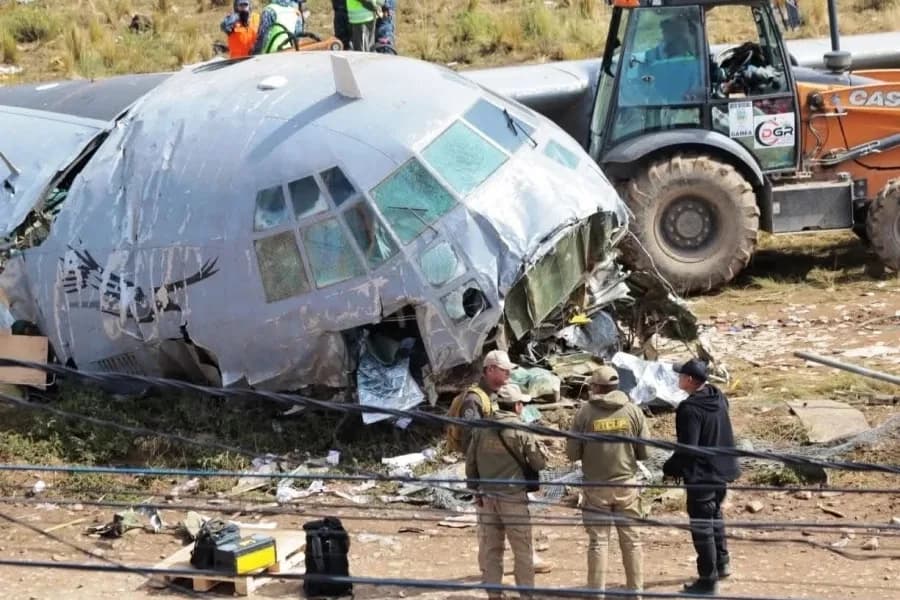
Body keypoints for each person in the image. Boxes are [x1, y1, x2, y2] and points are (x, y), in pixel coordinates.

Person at [566, 365, 648, 599]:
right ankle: (636, 593)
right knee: (632, 541)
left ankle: (596, 594)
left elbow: (572, 454)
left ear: (596, 387)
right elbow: (645, 453)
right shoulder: (633, 411)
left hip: (595, 488)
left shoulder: (584, 413)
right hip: (627, 486)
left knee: (598, 543)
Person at [663, 358, 740, 595]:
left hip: (702, 474)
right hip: (723, 469)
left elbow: (689, 448)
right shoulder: (718, 397)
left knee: (701, 526)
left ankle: (707, 580)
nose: (678, 378)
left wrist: (670, 468)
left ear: (689, 380)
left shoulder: (689, 409)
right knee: (715, 516)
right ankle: (722, 563)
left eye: (681, 375)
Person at [466, 383, 546, 600]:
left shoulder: (481, 429)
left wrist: (475, 490)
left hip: (487, 498)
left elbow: (470, 463)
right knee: (522, 550)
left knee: (492, 550)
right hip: (513, 499)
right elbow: (539, 463)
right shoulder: (521, 430)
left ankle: (494, 595)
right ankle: (526, 595)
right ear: (518, 406)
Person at [446, 349, 515, 455]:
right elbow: (470, 443)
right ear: (490, 369)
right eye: (504, 370)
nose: (509, 373)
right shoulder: (473, 400)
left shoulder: (491, 395)